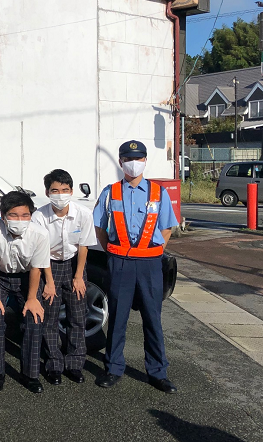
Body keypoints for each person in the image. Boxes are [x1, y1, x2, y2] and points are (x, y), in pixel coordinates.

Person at [93, 140, 179, 394]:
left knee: (152, 318)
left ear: (144, 161)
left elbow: (167, 227)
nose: (134, 163)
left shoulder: (158, 192)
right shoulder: (110, 192)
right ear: (121, 162)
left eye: (138, 158)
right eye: (129, 159)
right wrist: (114, 251)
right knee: (118, 317)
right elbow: (100, 227)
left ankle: (158, 373)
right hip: (120, 261)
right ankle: (113, 368)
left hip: (149, 263)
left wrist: (150, 251)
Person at [0, 191, 50, 393]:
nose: (20, 220)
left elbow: (36, 269)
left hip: (27, 278)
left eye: (25, 215)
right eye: (14, 215)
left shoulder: (40, 234)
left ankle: (31, 375)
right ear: (3, 216)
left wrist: (32, 299)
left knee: (34, 319)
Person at [31, 169, 97, 386]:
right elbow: (41, 251)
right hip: (48, 266)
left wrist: (79, 276)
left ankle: (75, 364)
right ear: (47, 192)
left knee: (77, 317)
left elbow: (84, 246)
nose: (60, 195)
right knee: (49, 319)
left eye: (65, 190)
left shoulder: (83, 214)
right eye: (55, 190)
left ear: (71, 190)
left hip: (74, 264)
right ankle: (54, 365)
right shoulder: (39, 216)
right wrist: (49, 282)